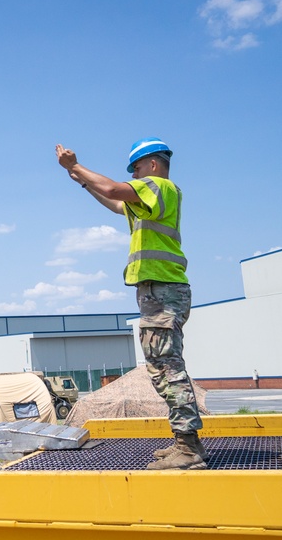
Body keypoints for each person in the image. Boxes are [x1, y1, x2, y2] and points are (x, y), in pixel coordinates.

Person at [55, 138, 207, 470]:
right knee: (161, 367)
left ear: (153, 164)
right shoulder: (146, 199)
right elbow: (115, 202)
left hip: (164, 290)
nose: (135, 176)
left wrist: (75, 166)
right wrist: (82, 182)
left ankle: (189, 448)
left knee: (168, 368)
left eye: (136, 168)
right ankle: (186, 444)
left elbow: (112, 189)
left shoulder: (159, 185)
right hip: (158, 291)